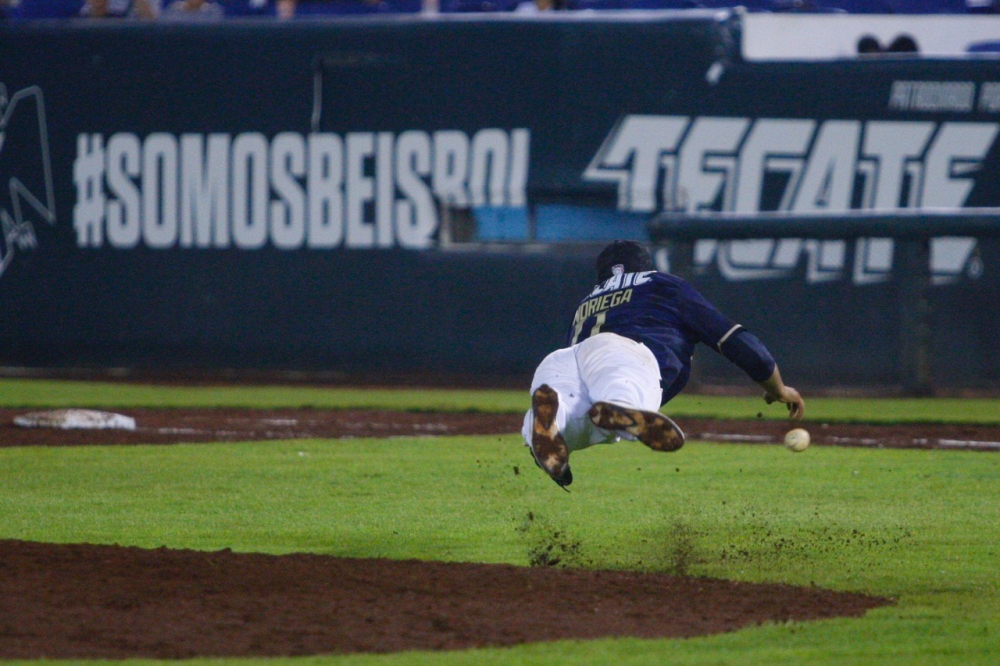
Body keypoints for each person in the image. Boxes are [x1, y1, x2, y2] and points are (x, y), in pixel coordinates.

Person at [522, 240, 805, 489]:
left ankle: (544, 419)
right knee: (621, 389)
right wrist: (777, 387)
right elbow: (733, 339)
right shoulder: (664, 284)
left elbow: (586, 354)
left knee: (570, 419)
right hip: (626, 352)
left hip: (561, 360)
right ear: (645, 266)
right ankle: (620, 406)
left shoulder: (585, 304)